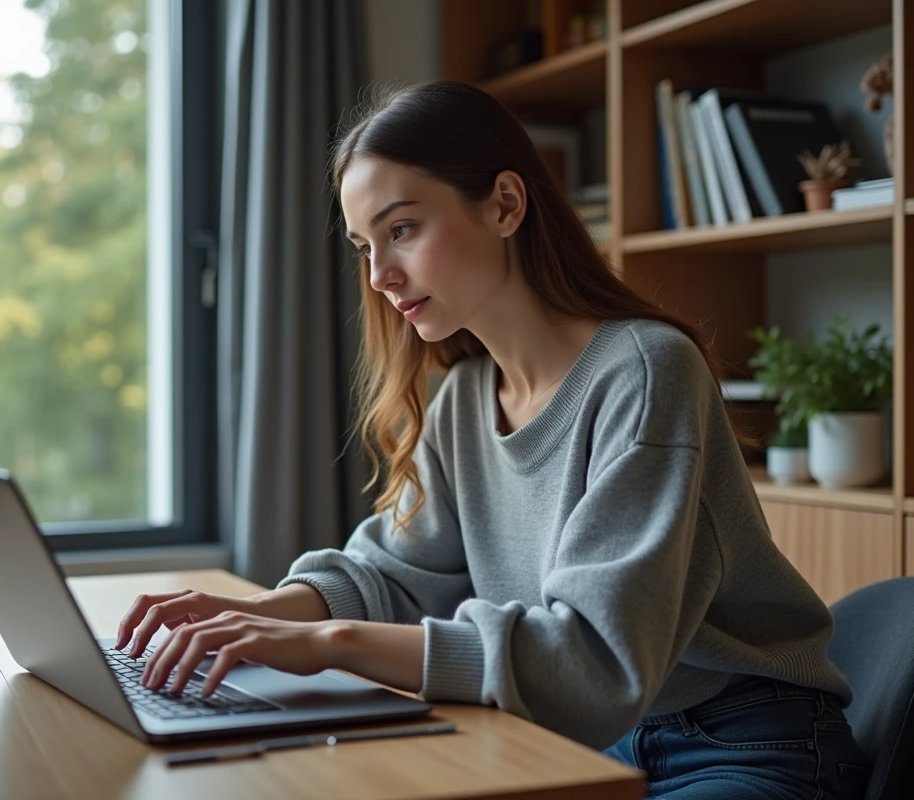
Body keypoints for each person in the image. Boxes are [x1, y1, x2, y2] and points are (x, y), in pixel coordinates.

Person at [115, 80, 868, 799]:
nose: (380, 274)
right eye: (363, 245)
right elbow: (397, 575)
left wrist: (333, 644)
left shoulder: (643, 372)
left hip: (744, 745)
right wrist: (257, 617)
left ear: (506, 204)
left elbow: (592, 661)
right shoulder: (465, 400)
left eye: (402, 228)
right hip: (580, 740)